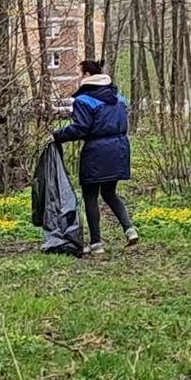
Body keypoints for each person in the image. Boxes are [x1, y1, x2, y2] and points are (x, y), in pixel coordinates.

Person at [53, 60, 138, 254]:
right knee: (109, 192)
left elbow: (81, 128)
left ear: (89, 75)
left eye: (80, 74)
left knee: (90, 195)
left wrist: (56, 136)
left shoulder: (84, 100)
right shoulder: (118, 97)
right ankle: (129, 229)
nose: (78, 77)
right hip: (120, 148)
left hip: (96, 151)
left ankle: (96, 243)